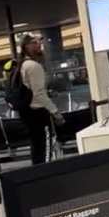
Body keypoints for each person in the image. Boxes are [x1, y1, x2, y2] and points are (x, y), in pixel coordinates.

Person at [19, 34, 65, 165]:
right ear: (26, 46)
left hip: (27, 112)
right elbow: (38, 93)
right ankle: (45, 174)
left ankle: (38, 172)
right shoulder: (33, 66)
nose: (39, 45)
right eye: (34, 42)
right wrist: (55, 112)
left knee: (37, 146)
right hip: (38, 112)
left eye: (39, 42)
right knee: (45, 146)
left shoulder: (22, 64)